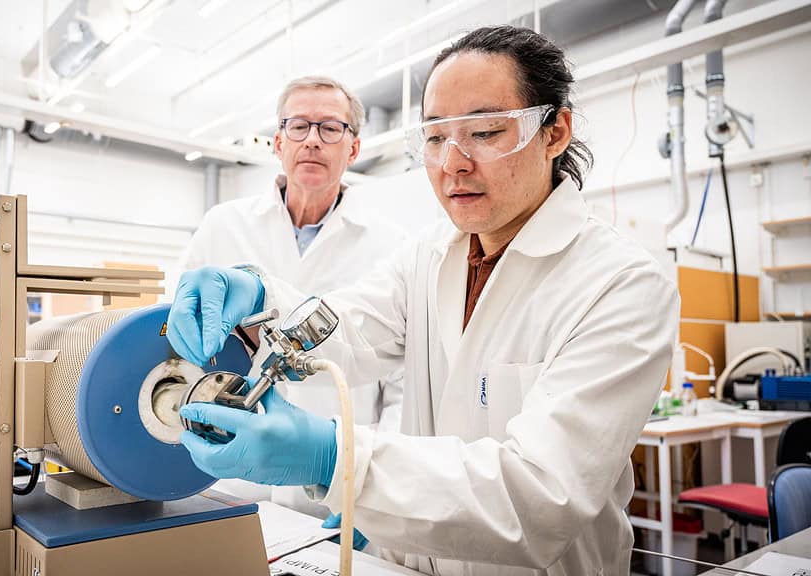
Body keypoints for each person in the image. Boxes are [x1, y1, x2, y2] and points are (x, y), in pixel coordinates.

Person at [168, 25, 679, 576]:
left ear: (554, 132)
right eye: (435, 137)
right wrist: (261, 298)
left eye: (484, 131)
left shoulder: (621, 283)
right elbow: (350, 329)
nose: (452, 163)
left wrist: (336, 458)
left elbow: (538, 497)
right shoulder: (430, 256)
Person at [178, 76, 405, 518]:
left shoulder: (391, 244)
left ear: (353, 148)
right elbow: (180, 335)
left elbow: (403, 386)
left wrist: (372, 492)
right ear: (278, 142)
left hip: (337, 481)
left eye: (330, 128)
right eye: (298, 127)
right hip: (230, 476)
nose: (313, 141)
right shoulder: (222, 226)